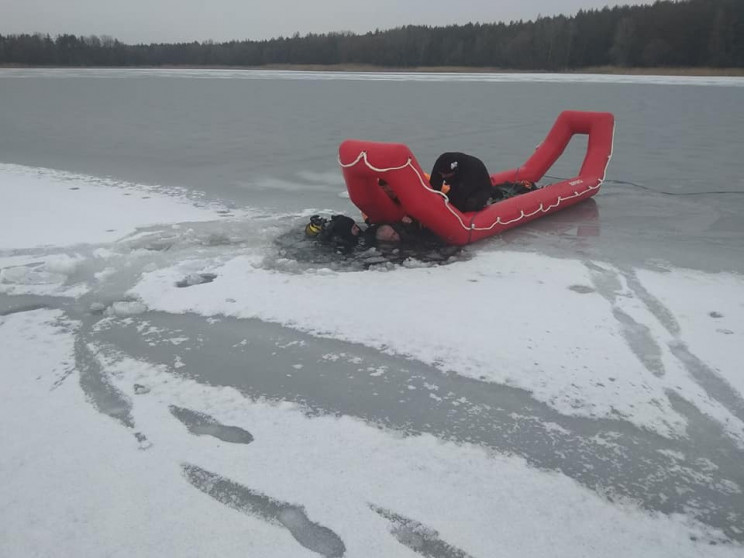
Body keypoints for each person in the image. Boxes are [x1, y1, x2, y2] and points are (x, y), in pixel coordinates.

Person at [429, 152, 494, 213]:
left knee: (470, 204)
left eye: (446, 175)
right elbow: (433, 187)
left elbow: (461, 196)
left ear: (454, 172)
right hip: (457, 184)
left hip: (479, 188)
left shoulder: (471, 169)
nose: (443, 176)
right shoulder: (440, 164)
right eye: (441, 174)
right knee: (446, 199)